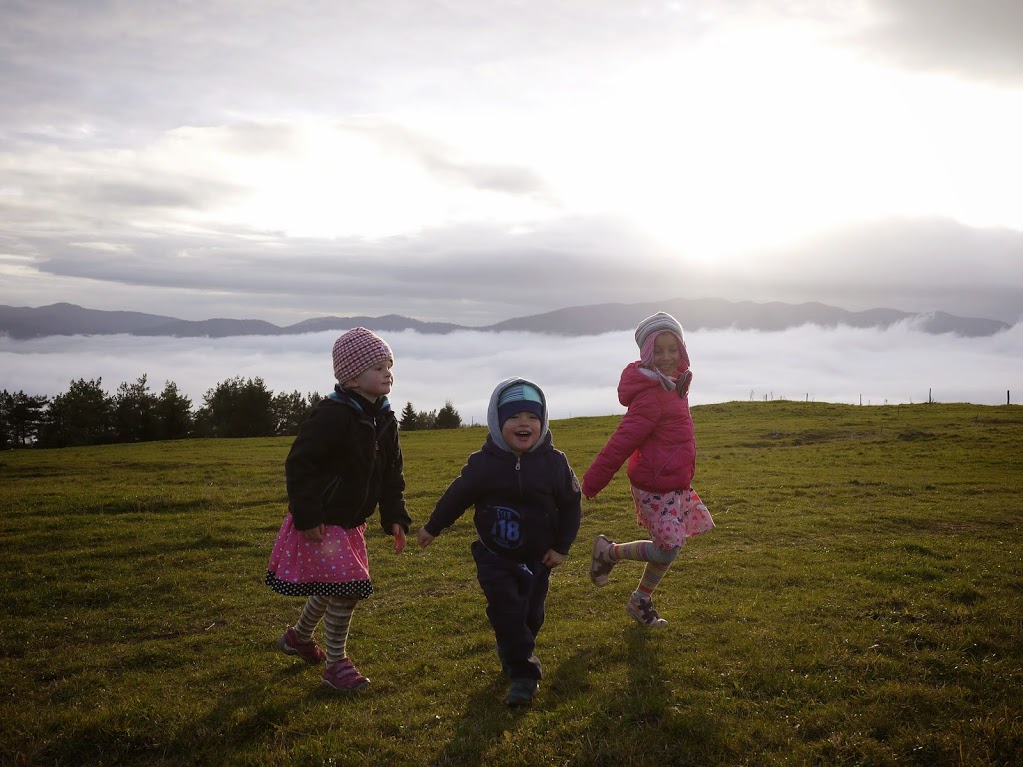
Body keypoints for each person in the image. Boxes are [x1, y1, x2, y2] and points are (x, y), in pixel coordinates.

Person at [418, 378, 582, 706]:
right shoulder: (484, 463)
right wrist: (433, 527)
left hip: (539, 558)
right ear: (497, 422)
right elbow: (457, 496)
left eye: (532, 417)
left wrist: (561, 547)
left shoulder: (554, 463)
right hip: (495, 556)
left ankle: (513, 647)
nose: (524, 423)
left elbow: (571, 505)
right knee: (507, 611)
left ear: (543, 422)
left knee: (531, 616)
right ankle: (523, 674)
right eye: (514, 417)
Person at [265, 327, 412, 691]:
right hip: (325, 521)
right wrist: (308, 514)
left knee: (333, 585)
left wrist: (394, 516)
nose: (387, 372)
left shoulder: (385, 419)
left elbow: (392, 472)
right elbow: (300, 464)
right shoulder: (332, 416)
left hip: (351, 523)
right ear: (351, 377)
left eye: (389, 364)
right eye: (377, 367)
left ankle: (299, 638)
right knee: (347, 590)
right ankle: (336, 665)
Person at [582, 311, 714, 627]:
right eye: (658, 350)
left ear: (682, 350)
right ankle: (608, 553)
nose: (667, 357)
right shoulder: (653, 396)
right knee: (670, 545)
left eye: (673, 349)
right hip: (654, 485)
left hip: (675, 483)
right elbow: (622, 441)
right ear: (646, 353)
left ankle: (640, 601)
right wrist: (592, 482)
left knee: (669, 547)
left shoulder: (674, 385)